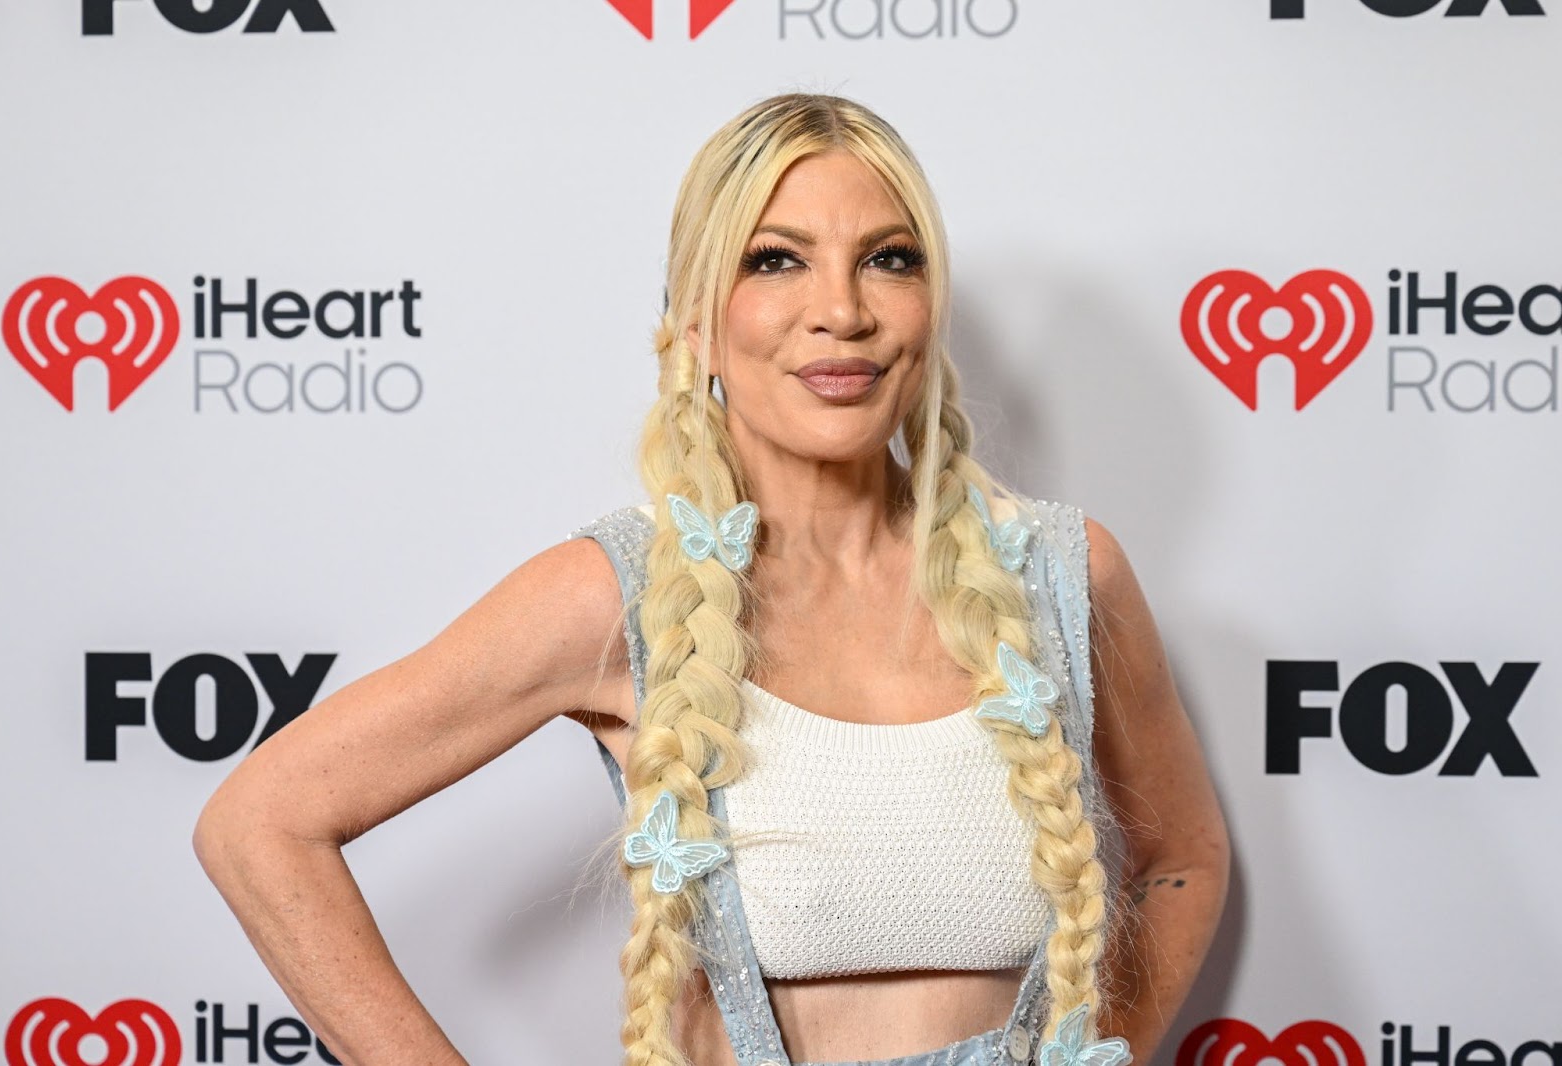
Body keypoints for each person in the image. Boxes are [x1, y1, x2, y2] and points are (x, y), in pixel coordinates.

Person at [194, 92, 1230, 1066]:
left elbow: (1180, 858)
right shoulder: (620, 593)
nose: (842, 310)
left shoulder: (1060, 573)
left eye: (889, 259)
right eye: (776, 260)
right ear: (696, 322)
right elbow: (261, 825)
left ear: (929, 306)